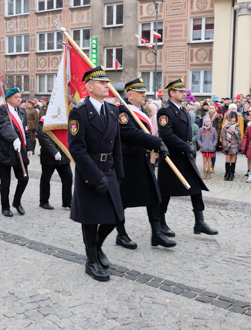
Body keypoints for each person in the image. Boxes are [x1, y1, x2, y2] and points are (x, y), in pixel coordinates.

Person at [68, 66, 124, 282]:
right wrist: (94, 176)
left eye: (107, 82)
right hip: (89, 172)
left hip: (109, 169)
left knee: (116, 216)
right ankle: (91, 260)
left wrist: (119, 173)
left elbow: (117, 145)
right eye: (102, 83)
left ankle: (98, 246)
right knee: (90, 219)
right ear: (89, 87)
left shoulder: (113, 110)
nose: (106, 85)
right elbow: (77, 149)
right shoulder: (79, 112)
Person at [115, 78, 176, 250]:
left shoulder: (141, 110)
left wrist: (155, 147)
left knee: (153, 196)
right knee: (122, 200)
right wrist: (156, 143)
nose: (144, 95)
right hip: (127, 160)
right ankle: (121, 234)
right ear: (130, 95)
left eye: (144, 92)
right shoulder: (123, 111)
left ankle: (156, 233)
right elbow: (130, 133)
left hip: (142, 159)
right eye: (140, 92)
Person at [157, 79, 218, 237]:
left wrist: (190, 147)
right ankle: (160, 223)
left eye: (185, 91)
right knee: (165, 192)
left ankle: (199, 222)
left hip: (185, 156)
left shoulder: (183, 110)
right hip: (172, 157)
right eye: (181, 91)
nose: (185, 94)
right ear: (172, 92)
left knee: (196, 188)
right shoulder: (165, 111)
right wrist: (186, 147)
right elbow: (167, 135)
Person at [0, 87, 32, 217]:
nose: (19, 99)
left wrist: (29, 147)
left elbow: (25, 130)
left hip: (19, 150)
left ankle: (17, 201)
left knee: (24, 178)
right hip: (5, 150)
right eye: (16, 97)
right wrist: (13, 138)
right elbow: (3, 126)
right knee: (5, 183)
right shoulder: (2, 110)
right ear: (8, 98)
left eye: (20, 97)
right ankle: (5, 206)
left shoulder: (22, 111)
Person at [36, 117, 72, 210]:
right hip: (49, 156)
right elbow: (43, 137)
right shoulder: (44, 120)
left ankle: (68, 201)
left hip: (63, 155)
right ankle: (44, 201)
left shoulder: (64, 119)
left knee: (68, 177)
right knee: (46, 179)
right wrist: (54, 152)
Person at [222, 111, 241, 181]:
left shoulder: (236, 126)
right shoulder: (225, 127)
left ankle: (232, 173)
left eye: (234, 118)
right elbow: (223, 137)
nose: (233, 119)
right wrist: (225, 146)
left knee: (233, 160)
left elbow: (239, 136)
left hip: (235, 145)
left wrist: (239, 146)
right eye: (232, 118)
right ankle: (227, 173)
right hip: (228, 145)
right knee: (227, 160)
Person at [197, 115, 217, 180]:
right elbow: (198, 138)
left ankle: (208, 173)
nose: (208, 123)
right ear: (204, 123)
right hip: (204, 148)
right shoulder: (201, 130)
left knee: (209, 160)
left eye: (209, 121)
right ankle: (204, 172)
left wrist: (213, 145)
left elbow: (215, 138)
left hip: (211, 148)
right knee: (204, 160)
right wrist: (201, 145)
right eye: (207, 122)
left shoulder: (213, 129)